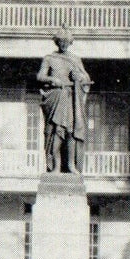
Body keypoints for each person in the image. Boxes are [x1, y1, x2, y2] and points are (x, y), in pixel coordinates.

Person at [36, 27, 91, 173]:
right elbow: (40, 76)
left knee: (71, 131)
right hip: (56, 97)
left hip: (71, 98)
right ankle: (56, 166)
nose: (64, 44)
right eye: (61, 41)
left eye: (66, 42)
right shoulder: (49, 58)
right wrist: (52, 79)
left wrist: (78, 77)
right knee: (56, 131)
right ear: (57, 42)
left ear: (70, 42)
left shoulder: (75, 59)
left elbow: (86, 78)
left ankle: (71, 165)